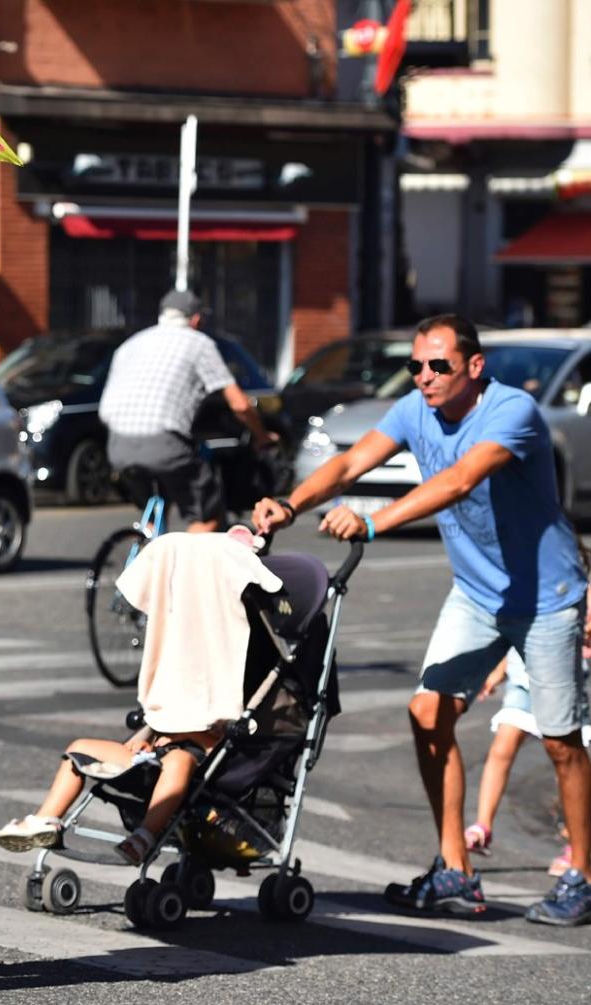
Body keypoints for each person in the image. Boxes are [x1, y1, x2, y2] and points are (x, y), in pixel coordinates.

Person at [253, 314, 591, 927]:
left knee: (560, 740)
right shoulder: (415, 410)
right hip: (477, 596)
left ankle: (582, 876)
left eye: (439, 366)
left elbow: (460, 481)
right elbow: (350, 465)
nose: (425, 377)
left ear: (474, 367)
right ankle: (455, 870)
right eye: (416, 366)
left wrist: (373, 522)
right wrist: (290, 504)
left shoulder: (511, 412)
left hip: (547, 597)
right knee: (428, 713)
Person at [99, 289, 277, 533]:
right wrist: (262, 436)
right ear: (196, 319)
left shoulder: (131, 344)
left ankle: (146, 543)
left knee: (155, 509)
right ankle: (186, 555)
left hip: (117, 445)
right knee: (208, 514)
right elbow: (240, 404)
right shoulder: (199, 344)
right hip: (163, 444)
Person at [0, 725, 220, 862]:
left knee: (179, 760)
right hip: (151, 756)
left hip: (196, 763)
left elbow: (221, 744)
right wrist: (145, 738)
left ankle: (145, 837)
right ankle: (46, 821)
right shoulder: (177, 679)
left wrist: (186, 734)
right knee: (79, 748)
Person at [466, 648, 588, 876]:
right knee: (501, 749)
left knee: (566, 765)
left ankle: (576, 845)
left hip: (564, 683)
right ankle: (483, 827)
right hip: (522, 681)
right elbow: (515, 634)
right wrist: (499, 670)